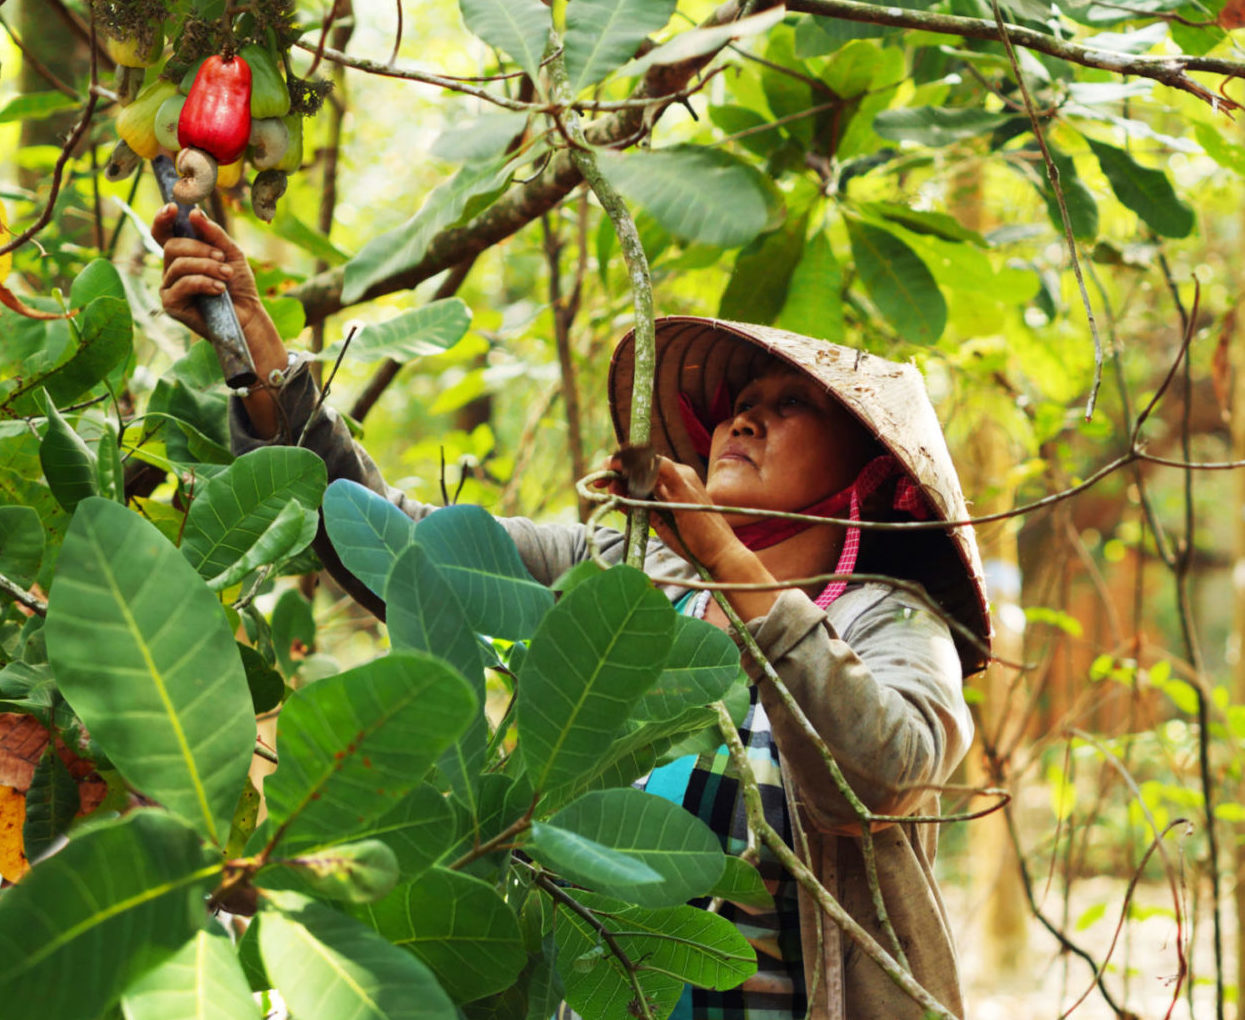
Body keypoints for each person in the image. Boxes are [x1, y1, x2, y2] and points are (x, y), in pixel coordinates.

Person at [155, 204, 991, 1020]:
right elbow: (404, 553)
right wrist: (257, 359)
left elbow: (878, 776)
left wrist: (726, 558)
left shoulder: (890, 621)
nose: (742, 418)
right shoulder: (629, 570)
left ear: (873, 476)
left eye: (788, 406)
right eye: (739, 404)